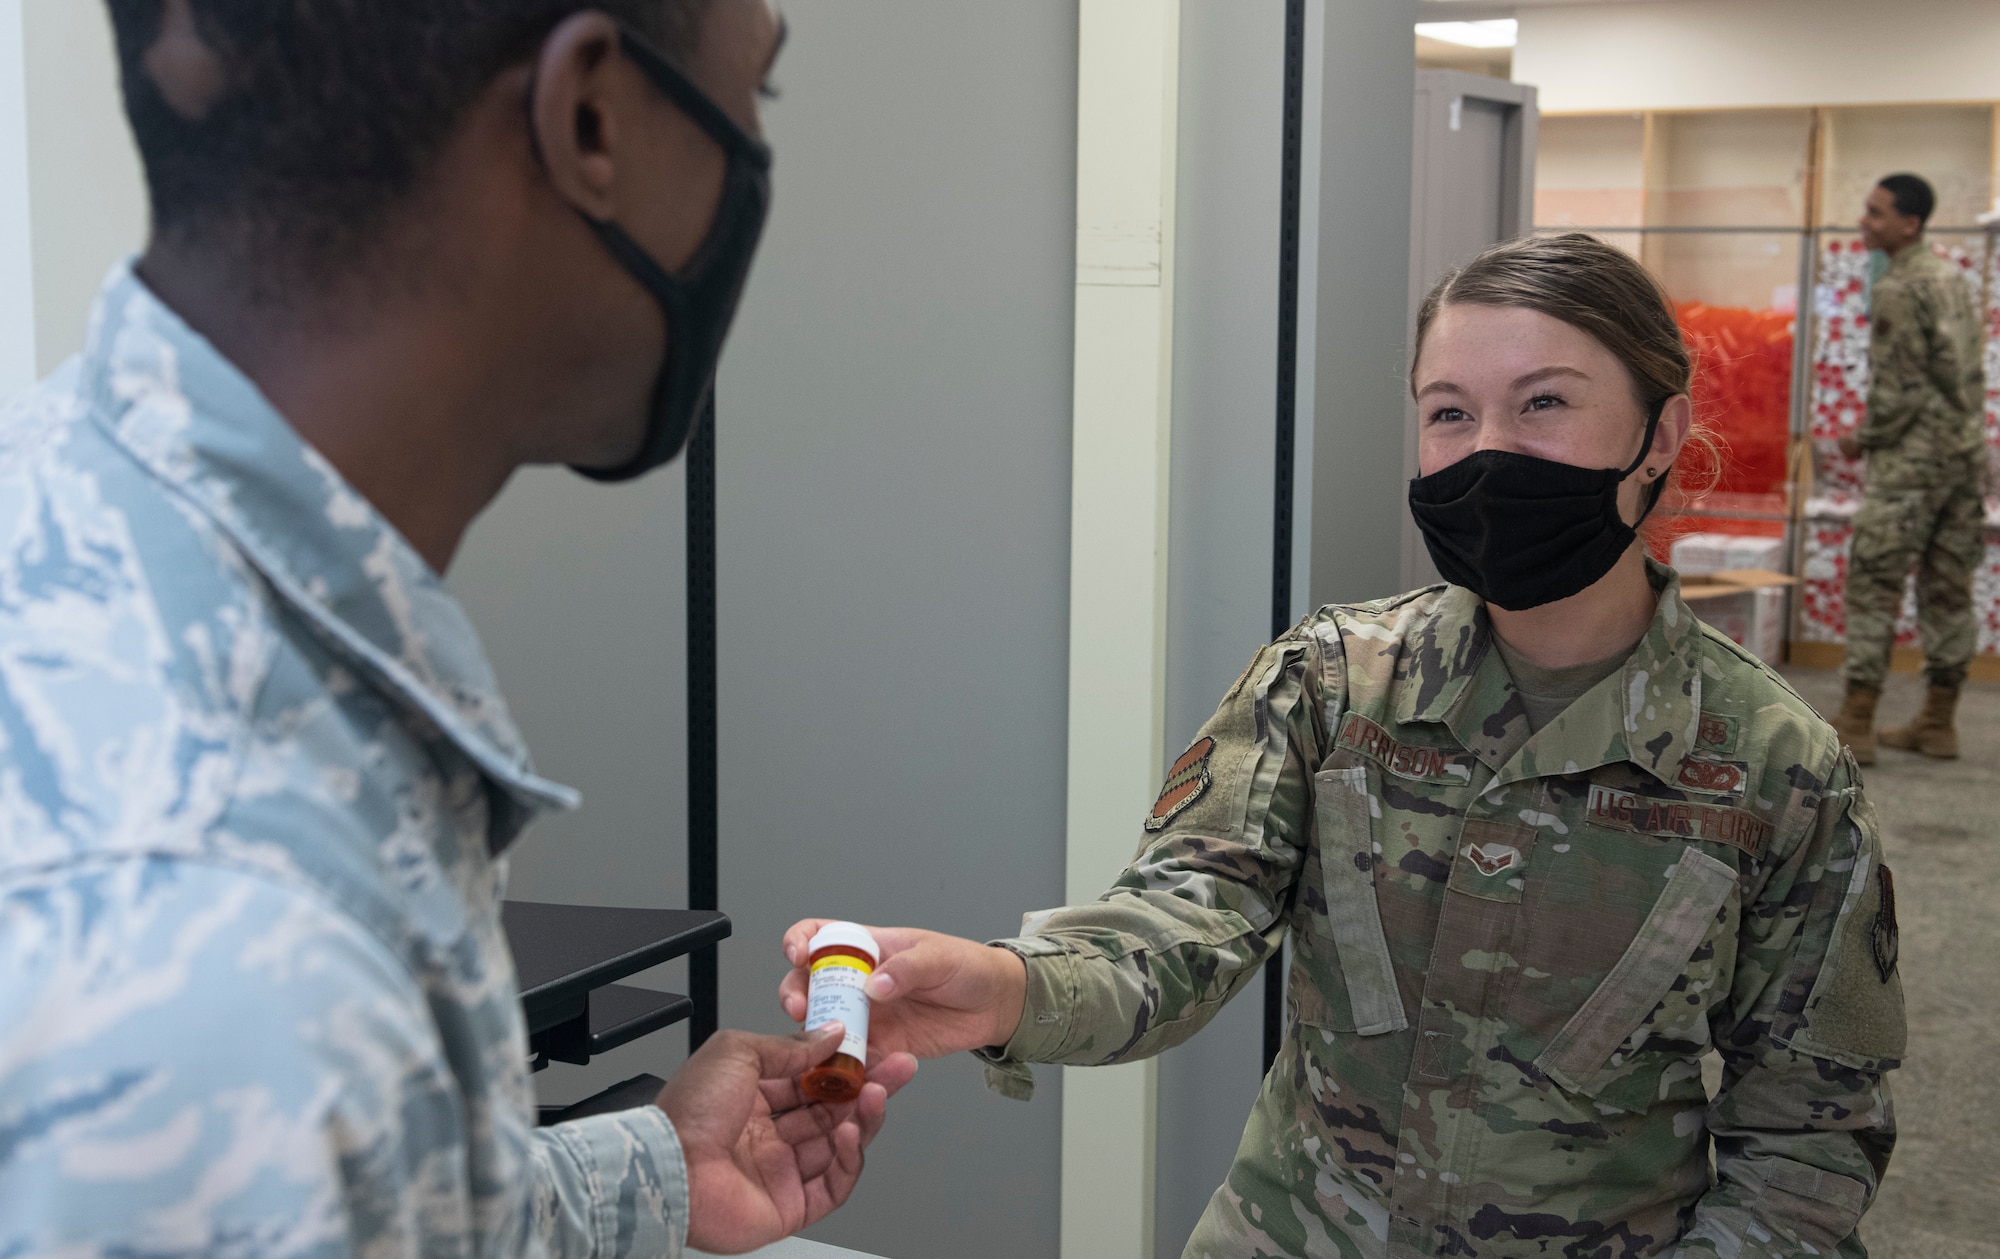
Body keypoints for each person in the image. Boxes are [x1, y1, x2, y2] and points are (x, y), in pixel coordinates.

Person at [0, 1, 915, 1255]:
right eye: (758, 96)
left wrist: (655, 1165)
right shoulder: (223, 917)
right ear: (589, 119)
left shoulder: (88, 517)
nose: (750, 156)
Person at [785, 234, 1904, 1258]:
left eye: (1543, 402)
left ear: (1658, 434)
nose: (1487, 450)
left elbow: (1807, 1135)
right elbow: (1186, 921)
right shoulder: (1330, 681)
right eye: (1448, 412)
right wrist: (1004, 984)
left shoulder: (1769, 765)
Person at [1832, 173, 1988, 763]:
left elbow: (1898, 389)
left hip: (1910, 463)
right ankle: (1938, 721)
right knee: (1949, 587)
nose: (1864, 222)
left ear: (1910, 224)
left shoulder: (1898, 288)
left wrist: (1861, 440)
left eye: (1875, 213)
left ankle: (1857, 719)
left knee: (1874, 582)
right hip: (1961, 455)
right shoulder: (1952, 279)